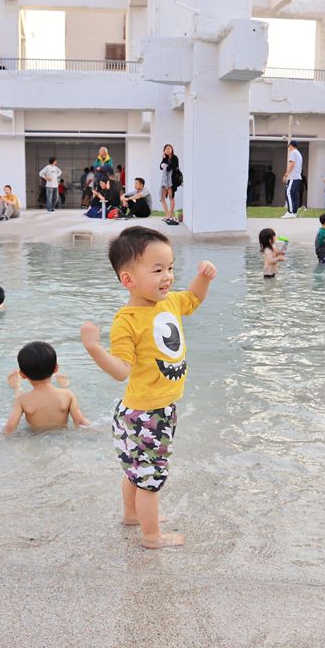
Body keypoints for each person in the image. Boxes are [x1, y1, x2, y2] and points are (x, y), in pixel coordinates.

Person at [80, 226, 217, 548]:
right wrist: (94, 349)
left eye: (170, 268)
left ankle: (132, 515)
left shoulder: (167, 303)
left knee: (136, 471)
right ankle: (152, 535)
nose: (168, 277)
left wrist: (204, 278)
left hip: (153, 408)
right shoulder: (126, 320)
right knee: (151, 479)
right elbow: (121, 371)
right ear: (129, 280)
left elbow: (194, 298)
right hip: (145, 414)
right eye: (157, 270)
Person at [4, 342, 89, 434]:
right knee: (64, 389)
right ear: (56, 368)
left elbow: (9, 428)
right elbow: (80, 422)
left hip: (34, 437)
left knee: (19, 395)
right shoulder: (67, 395)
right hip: (61, 436)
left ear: (22, 374)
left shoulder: (22, 400)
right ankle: (64, 385)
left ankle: (17, 386)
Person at [281, 140, 304, 218]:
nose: (288, 147)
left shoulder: (293, 152)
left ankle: (290, 212)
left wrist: (286, 174)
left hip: (293, 177)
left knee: (288, 192)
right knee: (295, 195)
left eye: (289, 146)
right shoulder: (298, 153)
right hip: (298, 177)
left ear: (291, 145)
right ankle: (294, 212)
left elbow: (292, 163)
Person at [159, 144, 180, 225]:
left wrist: (164, 165)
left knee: (171, 198)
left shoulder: (174, 158)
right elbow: (160, 167)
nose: (168, 150)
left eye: (169, 148)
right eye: (166, 149)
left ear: (172, 149)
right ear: (164, 151)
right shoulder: (165, 158)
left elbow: (169, 168)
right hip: (164, 181)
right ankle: (167, 215)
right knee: (162, 198)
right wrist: (164, 159)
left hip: (172, 181)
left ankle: (170, 215)